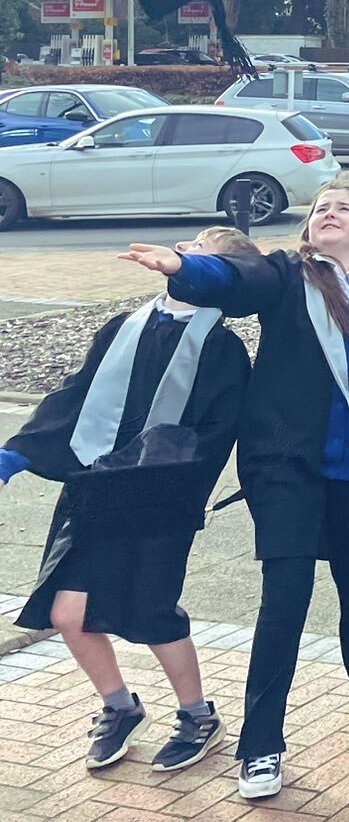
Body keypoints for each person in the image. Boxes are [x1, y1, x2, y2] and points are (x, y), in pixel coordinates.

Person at [118, 181, 349, 803]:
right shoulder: (288, 275)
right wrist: (187, 268)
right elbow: (237, 279)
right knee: (286, 595)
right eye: (320, 206)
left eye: (342, 207)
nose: (326, 212)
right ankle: (260, 746)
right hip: (285, 461)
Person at [1, 226, 252, 774]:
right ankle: (119, 706)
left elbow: (214, 435)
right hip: (94, 491)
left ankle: (197, 714)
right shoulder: (125, 325)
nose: (183, 250)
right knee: (68, 614)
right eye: (187, 243)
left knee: (153, 611)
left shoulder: (222, 348)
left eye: (200, 251)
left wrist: (152, 467)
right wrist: (18, 453)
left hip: (159, 499)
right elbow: (77, 392)